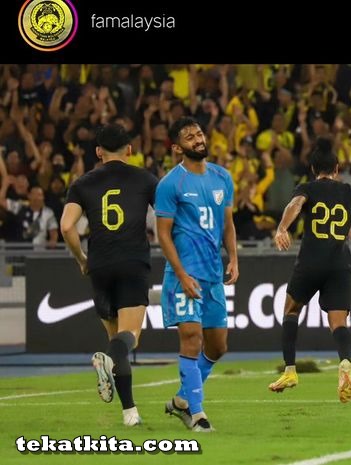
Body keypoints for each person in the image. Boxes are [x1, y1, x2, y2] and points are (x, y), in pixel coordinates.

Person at [268, 138, 351, 403]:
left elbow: (295, 205)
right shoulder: (349, 191)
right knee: (338, 323)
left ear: (313, 168)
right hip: (339, 263)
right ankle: (345, 363)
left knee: (291, 310)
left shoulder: (307, 188)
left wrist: (282, 228)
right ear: (337, 167)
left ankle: (290, 370)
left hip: (311, 261)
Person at [59, 124, 158, 426]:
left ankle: (130, 413)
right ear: (130, 149)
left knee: (115, 338)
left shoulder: (82, 183)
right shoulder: (145, 179)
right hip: (132, 262)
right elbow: (169, 218)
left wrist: (81, 259)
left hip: (99, 265)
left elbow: (66, 227)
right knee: (129, 339)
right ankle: (108, 361)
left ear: (98, 151)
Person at [155, 117, 239, 432]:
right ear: (178, 148)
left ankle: (181, 399)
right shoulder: (170, 184)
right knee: (192, 339)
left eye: (199, 133)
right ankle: (198, 414)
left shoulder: (222, 177)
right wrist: (180, 273)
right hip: (183, 275)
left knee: (218, 346)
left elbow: (228, 224)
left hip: (213, 275)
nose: (197, 139)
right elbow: (163, 234)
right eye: (189, 137)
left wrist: (233, 257)